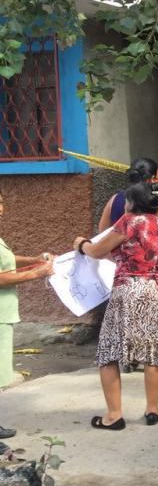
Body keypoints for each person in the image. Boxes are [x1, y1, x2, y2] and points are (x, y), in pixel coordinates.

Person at [74, 182, 158, 430]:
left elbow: (97, 251)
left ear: (132, 202)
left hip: (130, 288)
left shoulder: (128, 221)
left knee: (109, 351)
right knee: (153, 349)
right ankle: (153, 409)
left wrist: (81, 244)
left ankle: (114, 415)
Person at [0, 187, 54, 438]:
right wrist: (36, 273)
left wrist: (33, 259)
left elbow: (7, 260)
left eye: (2, 202)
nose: (2, 209)